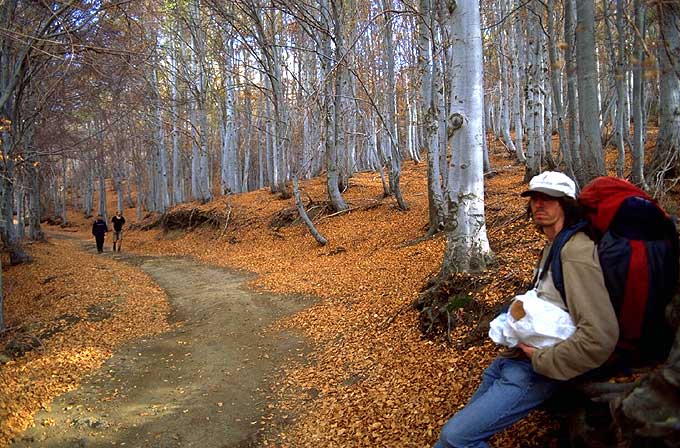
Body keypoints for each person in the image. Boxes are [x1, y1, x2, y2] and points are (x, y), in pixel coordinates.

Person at [434, 171, 619, 448]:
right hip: (511, 361)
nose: (539, 204)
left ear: (566, 204)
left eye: (549, 198)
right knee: (451, 439)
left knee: (456, 438)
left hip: (536, 370)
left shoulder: (576, 253)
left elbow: (601, 335)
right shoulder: (553, 247)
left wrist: (541, 359)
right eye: (534, 198)